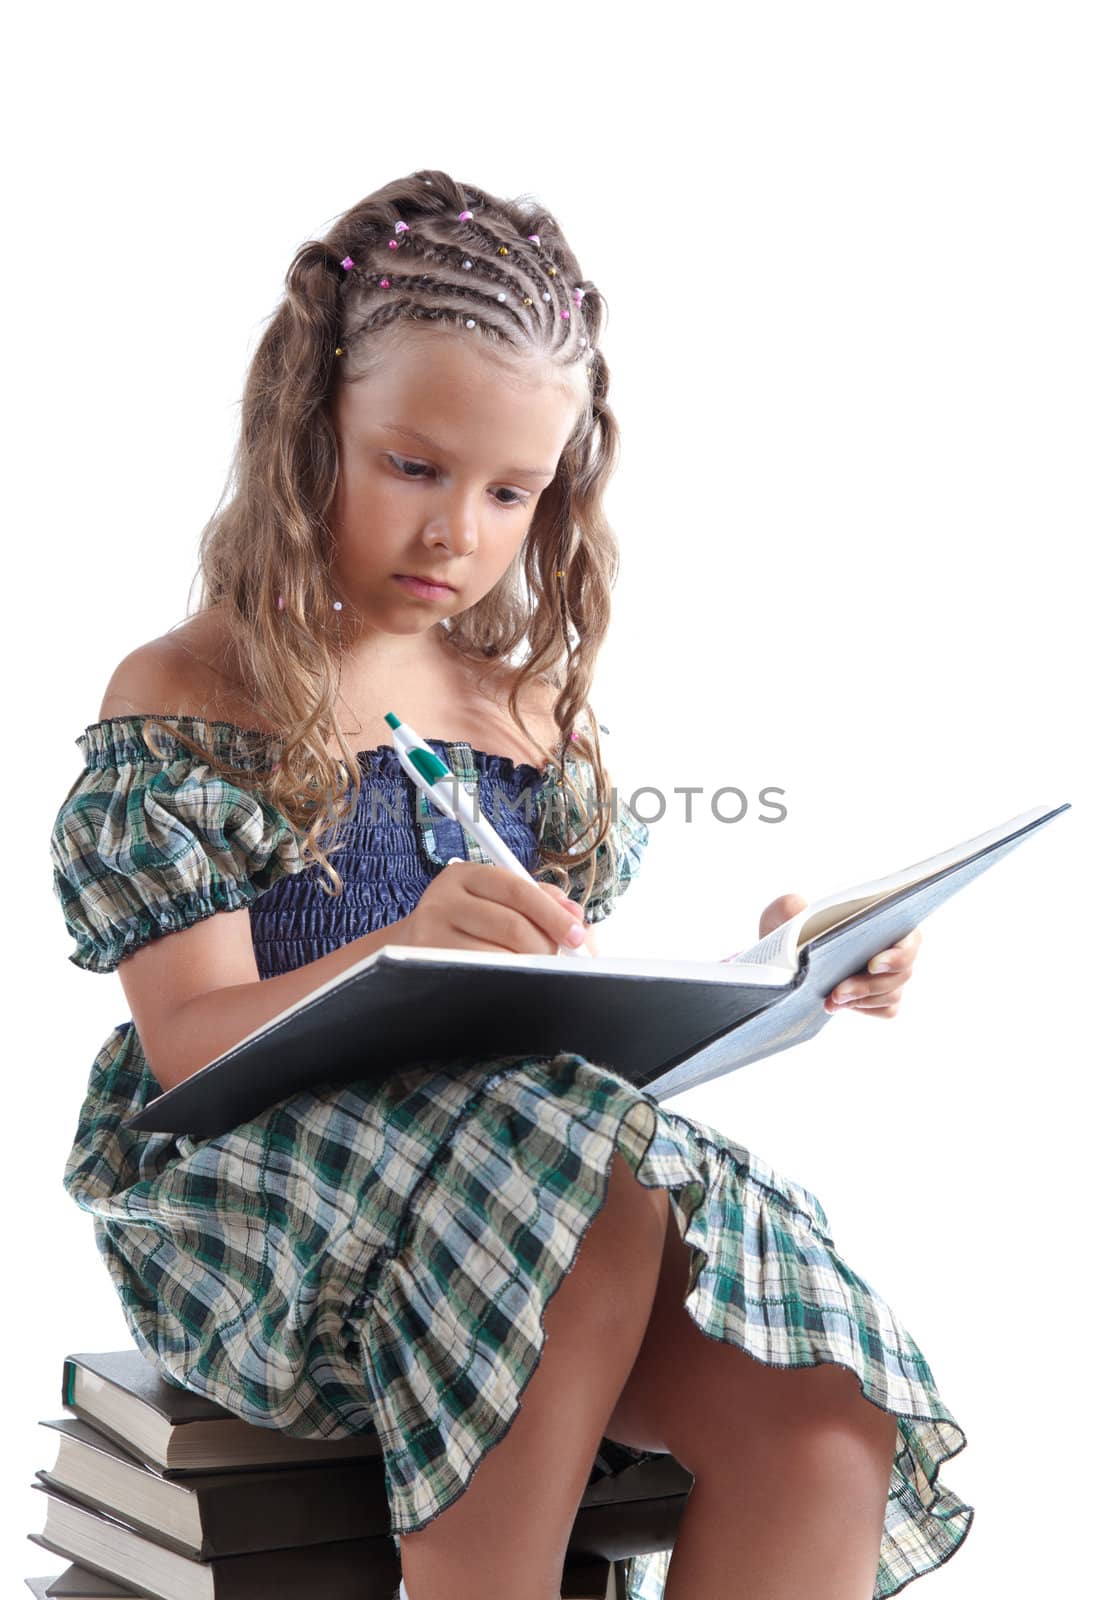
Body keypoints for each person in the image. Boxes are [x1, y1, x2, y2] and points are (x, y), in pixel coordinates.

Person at [48, 170, 974, 1600]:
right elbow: (186, 1049)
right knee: (581, 1185)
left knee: (820, 1416)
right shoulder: (194, 693)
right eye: (412, 467)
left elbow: (556, 1006)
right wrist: (391, 949)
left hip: (511, 1188)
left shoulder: (521, 714)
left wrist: (782, 972)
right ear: (311, 432)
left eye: (508, 491)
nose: (456, 534)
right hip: (265, 1210)